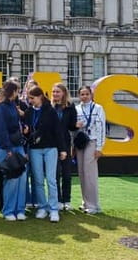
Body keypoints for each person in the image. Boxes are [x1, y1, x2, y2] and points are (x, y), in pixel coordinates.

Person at [23, 86, 67, 223]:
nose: (30, 101)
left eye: (32, 98)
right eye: (29, 98)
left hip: (50, 148)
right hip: (34, 148)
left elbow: (58, 131)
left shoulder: (50, 111)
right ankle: (42, 207)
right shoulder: (29, 111)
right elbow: (27, 130)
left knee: (52, 179)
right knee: (38, 179)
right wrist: (27, 133)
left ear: (40, 96)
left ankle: (54, 209)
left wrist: (62, 149)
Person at [0, 80, 28, 222]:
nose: (18, 93)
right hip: (5, 146)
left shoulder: (13, 105)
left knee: (22, 178)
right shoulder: (0, 108)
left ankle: (19, 209)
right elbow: (1, 130)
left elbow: (16, 124)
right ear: (12, 92)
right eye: (17, 90)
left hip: (17, 144)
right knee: (12, 178)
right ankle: (8, 210)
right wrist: (8, 149)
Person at [75, 85, 106, 214]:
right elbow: (73, 128)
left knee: (90, 173)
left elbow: (102, 128)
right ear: (79, 96)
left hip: (92, 141)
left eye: (87, 94)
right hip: (80, 142)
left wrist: (99, 147)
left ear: (91, 95)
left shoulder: (98, 108)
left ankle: (93, 205)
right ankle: (85, 202)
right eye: (82, 94)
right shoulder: (76, 109)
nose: (84, 96)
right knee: (81, 172)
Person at [51, 82, 77, 211]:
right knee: (55, 174)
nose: (55, 94)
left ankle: (66, 200)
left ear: (63, 93)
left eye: (58, 92)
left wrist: (77, 125)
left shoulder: (70, 107)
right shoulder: (50, 107)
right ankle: (57, 200)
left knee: (66, 174)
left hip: (66, 143)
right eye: (54, 92)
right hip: (52, 144)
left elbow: (71, 126)